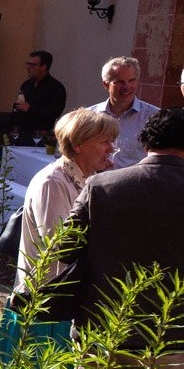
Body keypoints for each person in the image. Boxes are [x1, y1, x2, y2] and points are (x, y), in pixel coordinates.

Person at [59, 106, 184, 369]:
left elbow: (66, 249)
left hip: (101, 326)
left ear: (145, 142)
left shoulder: (102, 186)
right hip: (166, 333)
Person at [15, 108, 117, 293]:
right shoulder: (53, 182)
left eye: (112, 141)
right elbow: (59, 245)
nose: (111, 148)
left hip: (67, 294)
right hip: (45, 299)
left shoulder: (88, 177)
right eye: (104, 142)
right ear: (78, 145)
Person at [88, 56, 159, 170]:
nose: (127, 87)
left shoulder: (154, 117)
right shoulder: (89, 117)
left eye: (131, 80)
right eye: (119, 82)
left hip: (136, 184)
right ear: (106, 84)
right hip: (96, 183)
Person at [9, 49, 66, 147]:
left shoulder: (56, 87)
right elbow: (18, 108)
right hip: (20, 135)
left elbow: (55, 112)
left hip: (40, 138)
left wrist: (30, 108)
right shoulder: (26, 85)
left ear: (44, 67)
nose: (28, 67)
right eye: (27, 64)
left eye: (32, 65)